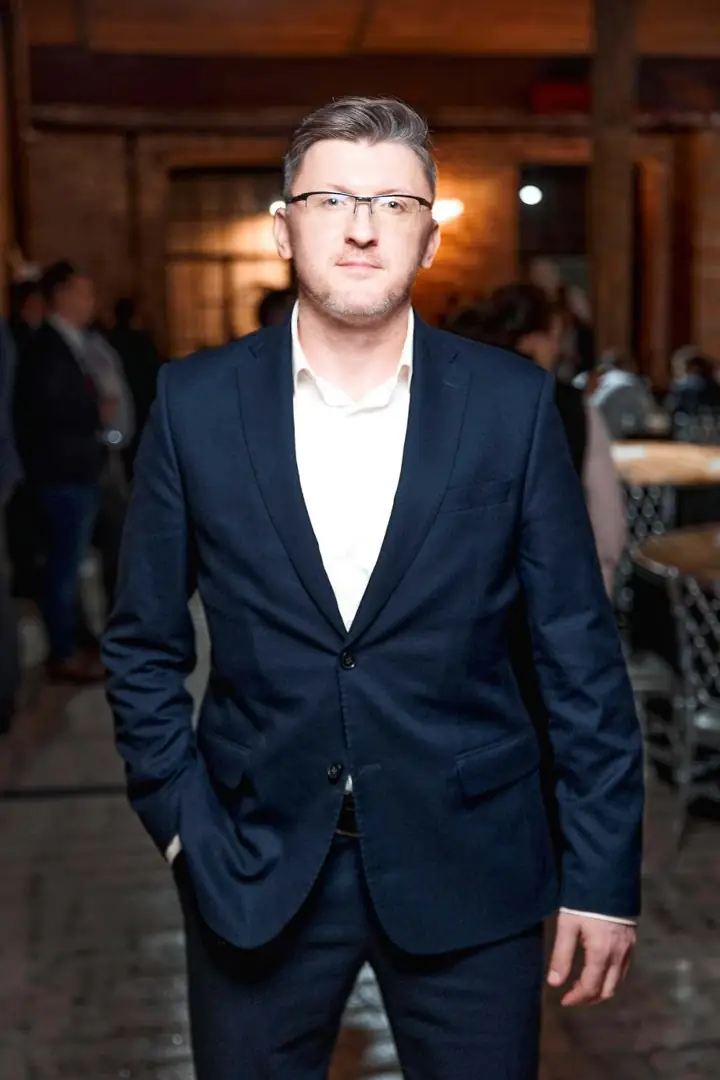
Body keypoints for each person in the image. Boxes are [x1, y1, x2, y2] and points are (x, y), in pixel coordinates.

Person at [103, 97, 643, 1080]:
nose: (362, 227)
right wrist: (183, 827)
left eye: (395, 202)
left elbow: (579, 655)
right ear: (284, 227)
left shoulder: (512, 405)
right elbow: (142, 642)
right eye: (333, 200)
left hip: (473, 864)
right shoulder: (194, 403)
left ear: (429, 238)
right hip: (256, 863)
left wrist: (603, 876)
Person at [471, 283, 626, 597]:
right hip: (554, 592)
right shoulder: (572, 408)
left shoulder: (455, 397)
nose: (558, 349)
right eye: (555, 337)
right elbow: (607, 525)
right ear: (533, 339)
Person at [14, 261, 107, 682]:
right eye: (83, 293)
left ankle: (79, 639)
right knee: (63, 565)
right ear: (63, 296)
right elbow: (45, 411)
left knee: (74, 562)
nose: (91, 302)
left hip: (77, 469)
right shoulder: (46, 348)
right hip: (62, 474)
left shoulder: (71, 343)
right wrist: (95, 411)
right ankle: (64, 651)